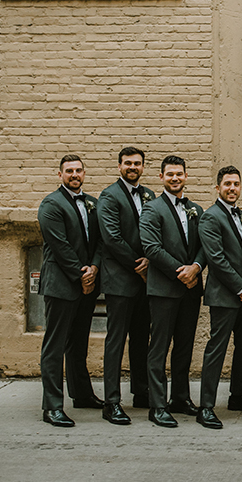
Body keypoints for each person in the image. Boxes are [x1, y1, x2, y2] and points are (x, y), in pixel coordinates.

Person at [138, 155, 206, 428]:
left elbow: (206, 243)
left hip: (191, 291)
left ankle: (180, 397)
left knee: (185, 347)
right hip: (165, 289)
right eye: (170, 174)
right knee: (159, 347)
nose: (175, 178)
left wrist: (198, 267)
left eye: (179, 174)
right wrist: (183, 272)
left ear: (186, 176)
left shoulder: (196, 210)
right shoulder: (151, 209)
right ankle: (157, 405)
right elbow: (151, 248)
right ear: (161, 177)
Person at [36, 154, 102, 427]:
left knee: (79, 343)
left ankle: (82, 394)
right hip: (61, 284)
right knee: (55, 345)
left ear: (84, 173)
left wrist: (94, 269)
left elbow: (100, 241)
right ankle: (52, 407)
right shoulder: (51, 204)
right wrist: (81, 273)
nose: (74, 174)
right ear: (60, 174)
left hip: (87, 283)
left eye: (78, 170)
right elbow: (60, 246)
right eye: (69, 171)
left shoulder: (92, 204)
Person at [196, 166, 242, 429]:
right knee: (216, 350)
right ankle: (206, 407)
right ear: (217, 188)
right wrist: (241, 287)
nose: (232, 189)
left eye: (236, 184)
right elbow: (217, 259)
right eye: (227, 184)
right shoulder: (210, 218)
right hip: (225, 296)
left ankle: (237, 395)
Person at [97, 146, 155, 425]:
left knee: (142, 338)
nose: (133, 167)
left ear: (143, 167)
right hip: (121, 280)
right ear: (119, 166)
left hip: (146, 282)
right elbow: (111, 238)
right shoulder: (109, 196)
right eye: (128, 163)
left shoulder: (149, 195)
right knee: (116, 341)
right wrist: (138, 263)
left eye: (137, 164)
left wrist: (151, 262)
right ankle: (111, 402)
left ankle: (141, 392)